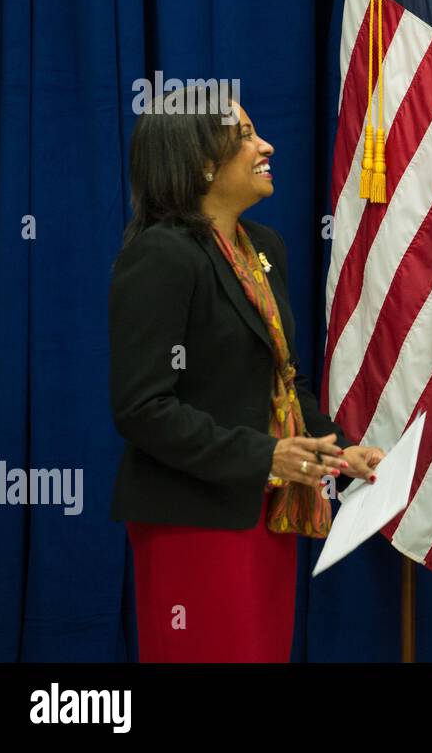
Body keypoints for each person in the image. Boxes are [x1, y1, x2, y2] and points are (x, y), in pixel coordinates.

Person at [109, 86, 384, 662]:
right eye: (245, 139)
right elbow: (143, 409)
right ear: (202, 164)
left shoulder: (263, 247)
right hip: (196, 520)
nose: (268, 145)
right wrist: (266, 456)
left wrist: (342, 451)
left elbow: (283, 381)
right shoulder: (162, 255)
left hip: (267, 513)